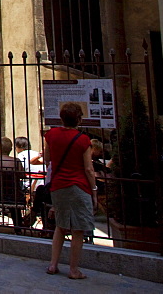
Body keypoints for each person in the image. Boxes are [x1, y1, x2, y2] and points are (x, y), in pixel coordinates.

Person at [44, 101, 96, 280]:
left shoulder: (51, 135)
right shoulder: (83, 140)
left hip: (58, 185)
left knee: (60, 225)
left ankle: (53, 264)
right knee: (78, 229)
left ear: (61, 118)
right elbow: (89, 169)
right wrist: (94, 189)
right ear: (79, 119)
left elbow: (47, 159)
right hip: (78, 185)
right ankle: (74, 269)